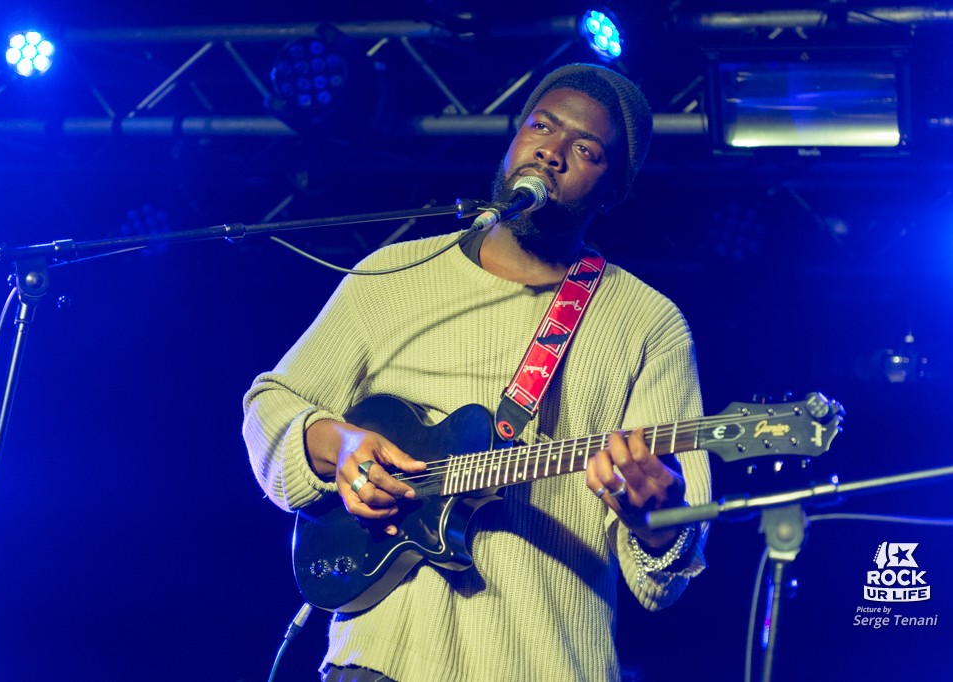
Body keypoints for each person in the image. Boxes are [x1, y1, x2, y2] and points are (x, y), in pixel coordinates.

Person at [242, 62, 712, 682]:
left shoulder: (647, 323)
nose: (551, 152)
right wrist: (339, 443)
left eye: (586, 149)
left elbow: (668, 574)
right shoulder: (393, 273)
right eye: (541, 126)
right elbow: (269, 404)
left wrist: (657, 521)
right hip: (377, 662)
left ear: (612, 190)